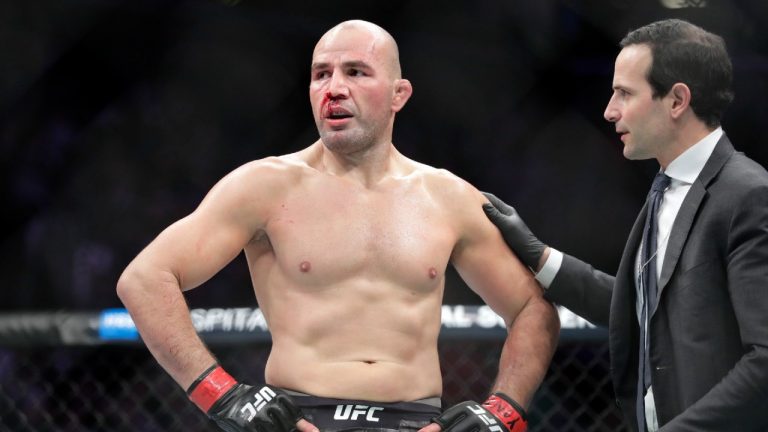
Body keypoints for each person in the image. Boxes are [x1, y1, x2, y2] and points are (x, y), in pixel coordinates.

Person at [117, 20, 559, 432]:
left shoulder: (448, 198)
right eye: (320, 74)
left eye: (356, 72)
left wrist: (502, 412)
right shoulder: (265, 186)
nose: (334, 89)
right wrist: (224, 397)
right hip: (299, 418)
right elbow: (144, 279)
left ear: (398, 94)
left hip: (414, 421)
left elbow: (532, 309)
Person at [483, 18, 768, 432]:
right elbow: (639, 305)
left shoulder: (748, 196)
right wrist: (537, 255)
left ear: (676, 101)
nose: (609, 110)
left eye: (624, 93)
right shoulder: (668, 188)